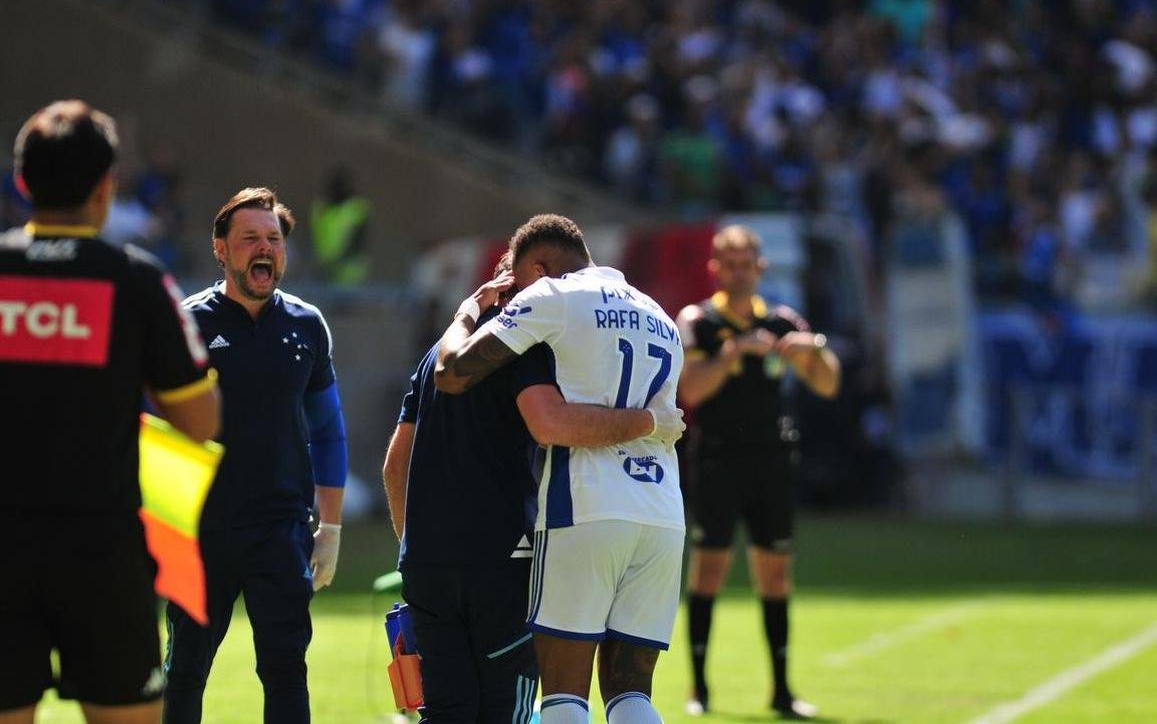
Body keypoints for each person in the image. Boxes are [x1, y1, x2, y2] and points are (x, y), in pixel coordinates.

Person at [0, 99, 221, 724]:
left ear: (21, 183)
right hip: (103, 549)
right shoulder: (138, 283)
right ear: (108, 186)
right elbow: (200, 422)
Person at [382, 254, 685, 724]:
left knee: (446, 713)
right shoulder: (534, 351)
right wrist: (649, 422)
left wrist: (413, 547)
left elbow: (394, 464)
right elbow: (550, 422)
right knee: (534, 709)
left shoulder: (436, 356)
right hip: (511, 557)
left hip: (429, 564)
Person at [162, 188, 348, 724]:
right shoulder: (186, 324)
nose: (264, 248)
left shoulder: (307, 325)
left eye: (273, 239)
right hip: (202, 531)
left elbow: (329, 430)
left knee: (286, 668)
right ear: (221, 249)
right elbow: (156, 430)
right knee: (185, 671)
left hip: (281, 530)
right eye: (249, 239)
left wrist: (329, 528)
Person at [675, 225, 840, 720]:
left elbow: (827, 383)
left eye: (748, 263)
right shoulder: (700, 321)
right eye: (731, 264)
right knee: (708, 571)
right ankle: (700, 689)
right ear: (716, 269)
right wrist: (731, 355)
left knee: (776, 575)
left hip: (771, 460)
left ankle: (782, 690)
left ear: (760, 268)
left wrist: (812, 351)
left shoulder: (783, 321)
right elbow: (691, 392)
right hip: (719, 459)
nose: (741, 272)